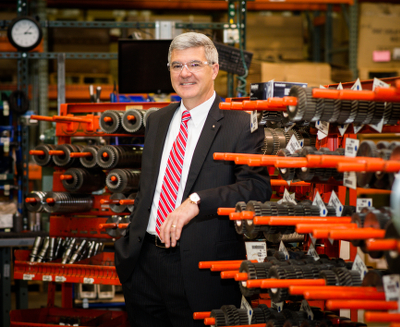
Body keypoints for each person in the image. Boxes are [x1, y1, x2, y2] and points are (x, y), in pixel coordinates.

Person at [115, 32, 271, 327]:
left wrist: (197, 202)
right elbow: (149, 187)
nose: (184, 73)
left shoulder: (241, 122)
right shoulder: (158, 120)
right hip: (143, 264)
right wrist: (128, 246)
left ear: (214, 69)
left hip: (200, 268)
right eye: (176, 66)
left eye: (194, 65)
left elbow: (256, 187)